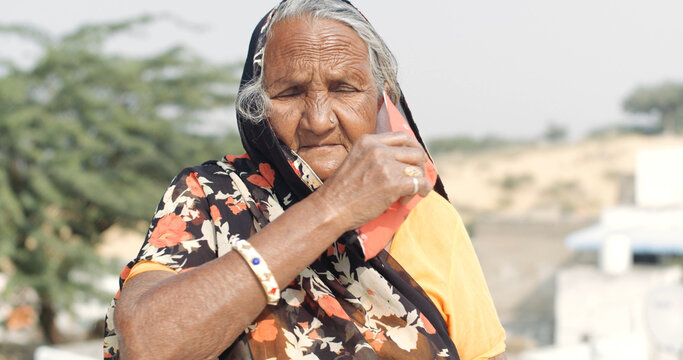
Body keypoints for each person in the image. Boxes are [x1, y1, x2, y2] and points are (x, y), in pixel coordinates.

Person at [103, 0, 506, 359]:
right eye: (290, 93)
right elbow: (149, 344)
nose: (318, 120)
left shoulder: (424, 215)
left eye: (344, 88)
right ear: (257, 108)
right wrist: (333, 208)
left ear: (381, 100)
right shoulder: (210, 196)